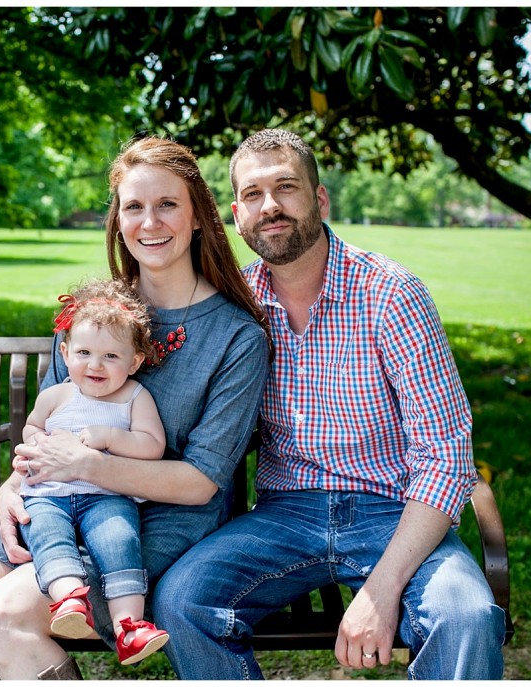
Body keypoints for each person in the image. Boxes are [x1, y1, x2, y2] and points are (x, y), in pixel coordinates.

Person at [152, 128, 507, 680]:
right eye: (252, 194)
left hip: (393, 509)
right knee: (181, 601)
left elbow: (445, 457)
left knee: (465, 615)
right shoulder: (239, 307)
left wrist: (381, 591)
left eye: (286, 187)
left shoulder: (391, 294)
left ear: (319, 199)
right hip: (283, 513)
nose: (270, 207)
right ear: (236, 215)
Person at [0, 136, 270, 680]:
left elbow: (203, 482)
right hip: (58, 497)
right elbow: (50, 424)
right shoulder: (93, 315)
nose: (149, 222)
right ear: (117, 219)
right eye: (133, 206)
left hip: (165, 515)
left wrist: (89, 465)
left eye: (167, 204)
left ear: (199, 216)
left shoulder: (236, 337)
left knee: (10, 612)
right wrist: (14, 486)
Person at [19, 278, 169, 665]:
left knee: (119, 542)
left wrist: (110, 437)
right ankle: (68, 599)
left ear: (134, 361)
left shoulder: (135, 396)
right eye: (84, 352)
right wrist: (34, 448)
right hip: (48, 494)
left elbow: (152, 445)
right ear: (65, 354)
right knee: (47, 535)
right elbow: (32, 427)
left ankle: (130, 628)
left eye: (110, 357)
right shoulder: (56, 395)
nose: (95, 365)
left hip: (106, 495)